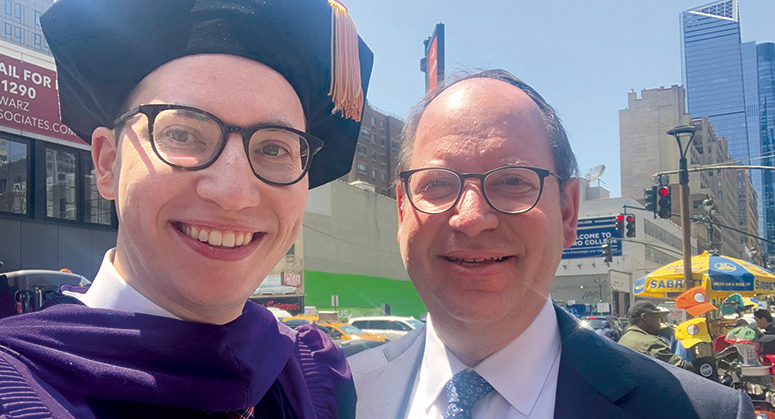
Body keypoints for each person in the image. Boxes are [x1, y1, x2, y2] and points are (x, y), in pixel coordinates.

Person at [0, 0, 373, 418]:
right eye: (182, 133)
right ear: (106, 163)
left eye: (274, 148)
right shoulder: (18, 392)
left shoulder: (312, 377)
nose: (233, 193)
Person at [349, 70, 753, 418]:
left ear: (567, 213)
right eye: (437, 184)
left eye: (512, 181)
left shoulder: (700, 413)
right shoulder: (333, 395)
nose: (470, 218)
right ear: (402, 210)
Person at [619, 301, 695, 372]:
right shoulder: (650, 343)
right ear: (644, 317)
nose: (659, 323)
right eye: (658, 318)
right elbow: (681, 367)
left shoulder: (623, 340)